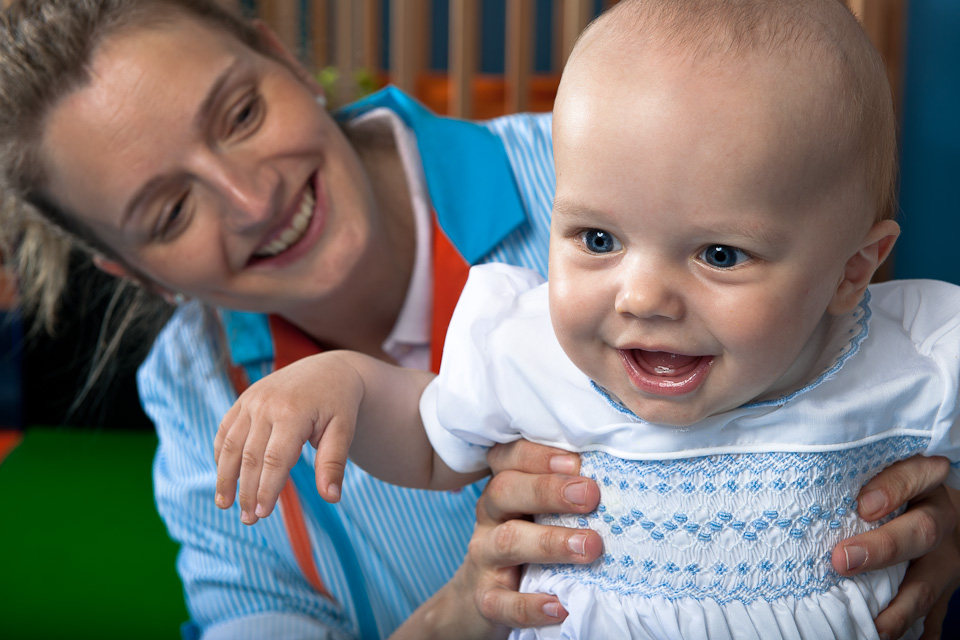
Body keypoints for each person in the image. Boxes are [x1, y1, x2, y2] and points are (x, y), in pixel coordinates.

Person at [0, 0, 956, 638]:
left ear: (285, 59)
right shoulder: (202, 395)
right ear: (128, 269)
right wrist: (461, 614)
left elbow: (860, 368)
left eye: (241, 113)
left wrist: (933, 519)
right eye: (170, 211)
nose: (252, 199)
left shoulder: (646, 167)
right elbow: (421, 433)